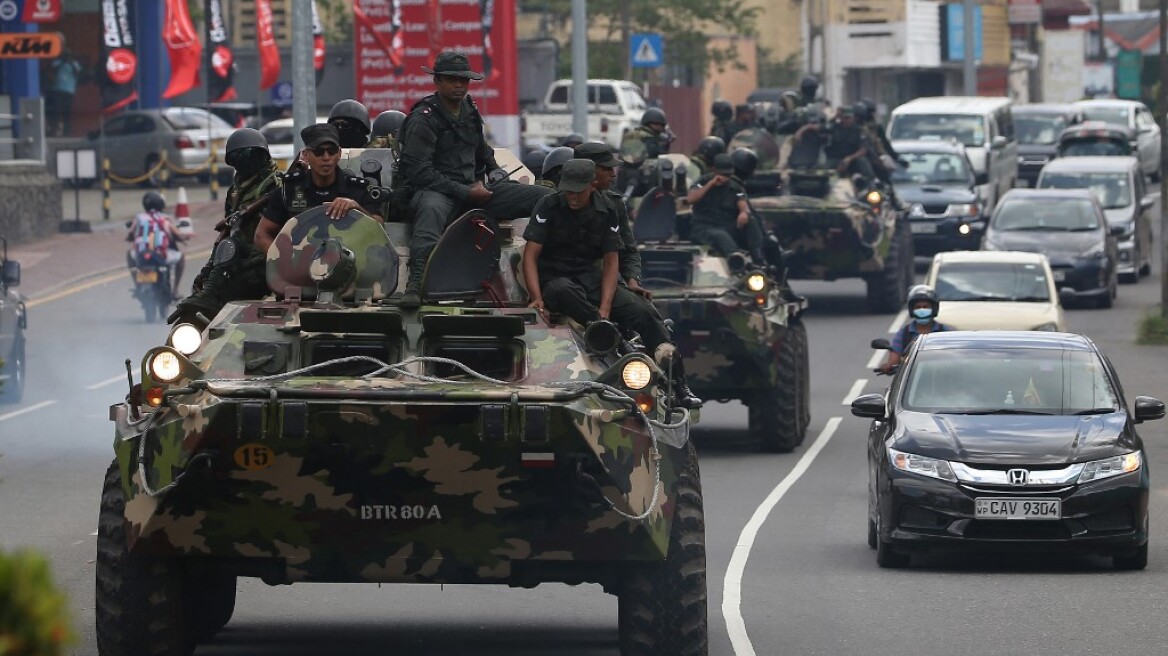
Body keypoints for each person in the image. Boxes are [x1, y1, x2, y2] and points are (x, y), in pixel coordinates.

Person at [522, 159, 701, 408]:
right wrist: (536, 296)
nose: (572, 196)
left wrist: (606, 305)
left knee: (644, 312)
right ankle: (611, 335)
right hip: (556, 278)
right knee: (563, 291)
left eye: (578, 191)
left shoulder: (608, 208)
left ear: (592, 185)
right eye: (568, 190)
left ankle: (678, 382)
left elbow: (611, 261)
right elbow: (530, 255)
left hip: (592, 277)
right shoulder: (549, 205)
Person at [397, 51, 553, 307]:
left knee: (546, 198)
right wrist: (464, 192)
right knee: (431, 211)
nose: (459, 85)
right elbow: (418, 172)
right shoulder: (424, 119)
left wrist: (494, 171)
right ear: (437, 81)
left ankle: (548, 269)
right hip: (438, 190)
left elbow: (481, 151)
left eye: (464, 80)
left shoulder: (469, 111)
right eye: (452, 79)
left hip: (474, 188)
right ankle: (416, 283)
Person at [169, 128, 282, 324]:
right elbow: (227, 231)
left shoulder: (275, 186)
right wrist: (208, 270)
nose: (245, 159)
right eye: (239, 155)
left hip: (267, 258)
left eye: (250, 154)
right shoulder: (236, 191)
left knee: (220, 298)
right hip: (240, 258)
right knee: (198, 305)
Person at [254, 124, 383, 254]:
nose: (326, 157)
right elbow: (261, 235)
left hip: (350, 267)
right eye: (318, 151)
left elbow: (380, 230)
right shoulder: (289, 190)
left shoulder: (357, 189)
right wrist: (283, 261)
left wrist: (356, 208)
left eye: (331, 151)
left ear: (339, 154)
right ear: (306, 155)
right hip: (301, 269)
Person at [574, 141, 650, 299]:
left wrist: (632, 280)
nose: (613, 174)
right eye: (607, 168)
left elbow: (628, 249)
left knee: (645, 314)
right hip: (568, 282)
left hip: (603, 281)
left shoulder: (613, 204)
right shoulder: (557, 202)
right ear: (589, 171)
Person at [687, 152, 767, 265]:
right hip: (704, 228)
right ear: (714, 170)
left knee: (751, 221)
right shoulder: (702, 182)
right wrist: (711, 184)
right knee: (720, 236)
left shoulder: (734, 185)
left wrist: (744, 213)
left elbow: (742, 202)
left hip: (725, 226)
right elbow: (691, 199)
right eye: (723, 175)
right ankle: (736, 259)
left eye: (728, 175)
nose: (725, 179)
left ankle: (758, 257)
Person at [881, 285, 953, 373]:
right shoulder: (904, 334)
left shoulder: (946, 332)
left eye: (926, 307)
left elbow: (956, 356)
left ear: (934, 308)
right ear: (912, 309)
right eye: (918, 307)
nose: (922, 310)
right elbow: (894, 360)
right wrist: (888, 366)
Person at [127, 191, 186, 299]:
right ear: (161, 204)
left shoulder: (139, 218)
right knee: (181, 257)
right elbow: (177, 234)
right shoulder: (165, 219)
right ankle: (175, 290)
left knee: (129, 254)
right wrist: (184, 237)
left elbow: (130, 234)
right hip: (160, 255)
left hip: (142, 255)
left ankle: (137, 285)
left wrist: (131, 238)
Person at [822, 105, 875, 183]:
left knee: (863, 162)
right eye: (845, 118)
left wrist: (849, 158)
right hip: (836, 158)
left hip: (853, 159)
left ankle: (870, 184)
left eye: (849, 118)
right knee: (825, 169)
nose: (847, 120)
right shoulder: (834, 128)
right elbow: (820, 127)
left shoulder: (859, 130)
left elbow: (863, 150)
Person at [48, 48, 83, 137]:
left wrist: (70, 62)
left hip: (69, 91)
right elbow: (53, 69)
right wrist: (63, 61)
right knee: (56, 112)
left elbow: (78, 73)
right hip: (58, 90)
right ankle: (54, 131)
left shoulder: (74, 64)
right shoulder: (58, 62)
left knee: (67, 113)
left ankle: (67, 132)